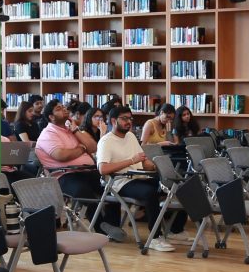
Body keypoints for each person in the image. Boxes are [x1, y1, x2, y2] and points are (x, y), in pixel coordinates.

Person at [94, 104, 174, 251]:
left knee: (173, 184)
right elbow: (102, 169)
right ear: (113, 121)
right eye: (124, 119)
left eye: (130, 118)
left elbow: (142, 159)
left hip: (138, 177)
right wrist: (132, 161)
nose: (129, 121)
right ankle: (154, 238)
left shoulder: (130, 136)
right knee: (150, 193)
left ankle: (176, 230)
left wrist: (152, 165)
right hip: (119, 182)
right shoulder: (106, 141)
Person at [35, 97, 102, 207]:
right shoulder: (48, 134)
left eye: (64, 107)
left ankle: (111, 223)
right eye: (59, 109)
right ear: (51, 117)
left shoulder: (71, 129)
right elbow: (62, 155)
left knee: (111, 187)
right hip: (63, 175)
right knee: (85, 192)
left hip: (86, 171)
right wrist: (82, 148)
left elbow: (93, 147)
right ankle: (98, 224)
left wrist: (75, 130)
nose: (64, 109)